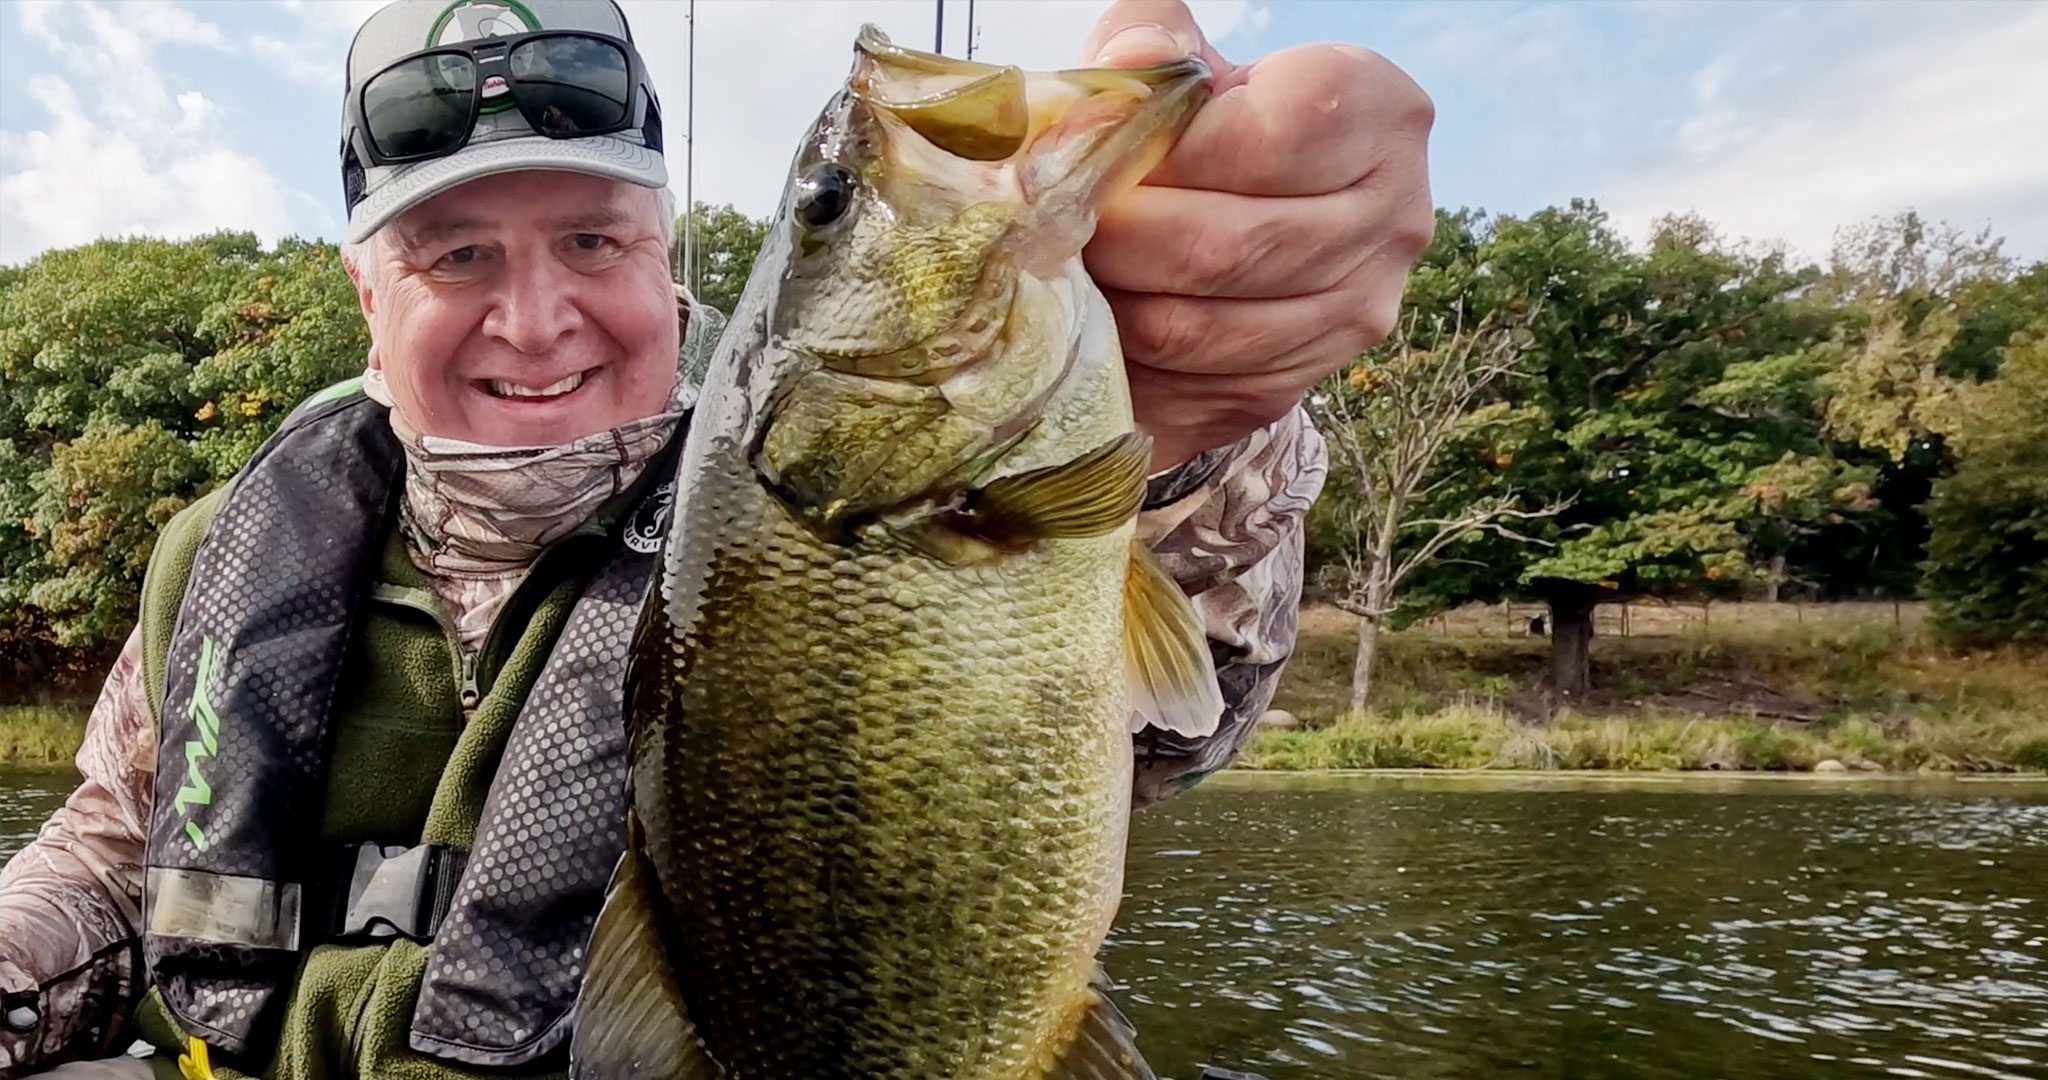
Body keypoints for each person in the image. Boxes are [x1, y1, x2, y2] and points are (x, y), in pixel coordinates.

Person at [0, 0, 1433, 1076]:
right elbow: (118, 847)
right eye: (456, 257)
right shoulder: (232, 553)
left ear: (666, 251)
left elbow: (1181, 721)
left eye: (592, 242)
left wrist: (1203, 416)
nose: (536, 316)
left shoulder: (809, 494)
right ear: (366, 293)